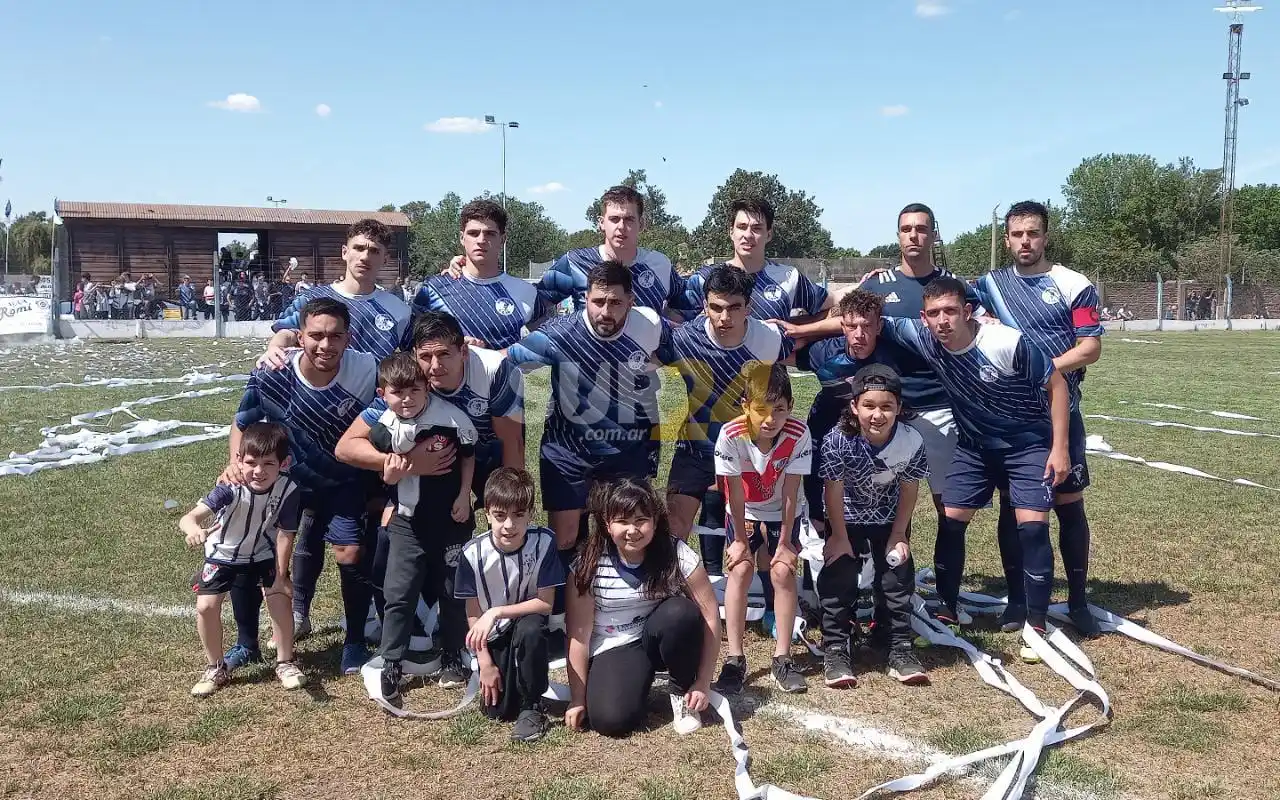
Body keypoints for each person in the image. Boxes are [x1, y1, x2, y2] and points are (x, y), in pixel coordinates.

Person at [874, 277, 1070, 636]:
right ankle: (948, 608)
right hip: (975, 446)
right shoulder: (925, 337)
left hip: (1026, 444)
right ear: (924, 317)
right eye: (933, 313)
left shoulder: (1005, 342)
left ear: (967, 311)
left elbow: (1056, 383)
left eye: (950, 311)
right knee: (950, 520)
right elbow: (867, 318)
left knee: (1032, 528)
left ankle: (1037, 623)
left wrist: (1059, 448)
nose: (942, 320)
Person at [227, 298, 380, 675]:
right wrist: (234, 464)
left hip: (345, 480)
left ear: (349, 338)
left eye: (335, 336)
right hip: (287, 484)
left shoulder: (367, 369)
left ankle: (356, 641)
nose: (325, 345)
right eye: (316, 336)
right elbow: (243, 421)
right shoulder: (271, 373)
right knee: (250, 555)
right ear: (300, 336)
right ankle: (247, 642)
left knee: (349, 552)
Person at [973, 200, 1104, 636]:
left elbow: (1090, 347)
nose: (1024, 241)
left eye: (1032, 233)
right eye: (1016, 234)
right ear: (1007, 238)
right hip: (1011, 416)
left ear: (1046, 237)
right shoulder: (990, 285)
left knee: (1068, 504)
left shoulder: (1073, 284)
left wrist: (1044, 369)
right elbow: (944, 306)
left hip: (1059, 410)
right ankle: (1017, 600)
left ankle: (1079, 601)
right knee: (1015, 508)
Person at [506, 260, 668, 589]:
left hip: (626, 445)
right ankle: (564, 607)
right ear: (586, 298)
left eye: (615, 303)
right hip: (567, 447)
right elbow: (507, 358)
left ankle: (624, 599)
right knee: (565, 536)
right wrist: (469, 352)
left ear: (631, 301)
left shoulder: (648, 326)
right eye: (598, 302)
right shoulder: (557, 333)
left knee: (627, 530)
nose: (605, 312)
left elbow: (679, 348)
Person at [661, 265, 793, 578]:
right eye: (716, 308)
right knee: (673, 527)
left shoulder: (768, 342)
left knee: (758, 530)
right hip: (696, 447)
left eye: (734, 308)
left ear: (749, 306)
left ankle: (767, 594)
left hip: (750, 452)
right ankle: (666, 592)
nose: (724, 318)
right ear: (705, 305)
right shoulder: (683, 340)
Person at [565, 478, 721, 737]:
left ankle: (682, 692)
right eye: (622, 521)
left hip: (659, 632)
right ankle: (634, 682)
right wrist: (577, 698)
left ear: (655, 521)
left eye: (641, 520)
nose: (632, 530)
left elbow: (711, 617)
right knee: (610, 721)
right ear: (607, 524)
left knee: (680, 613)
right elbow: (578, 637)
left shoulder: (676, 553)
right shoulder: (588, 564)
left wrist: (703, 682)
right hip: (615, 643)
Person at [362, 351, 478, 692]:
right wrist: (391, 471)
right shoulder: (384, 426)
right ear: (384, 394)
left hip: (450, 520)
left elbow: (468, 458)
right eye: (398, 392)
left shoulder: (453, 420)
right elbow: (386, 463)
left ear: (427, 387)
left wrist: (464, 496)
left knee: (452, 590)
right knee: (399, 592)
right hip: (407, 522)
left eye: (414, 390)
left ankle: (454, 654)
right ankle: (393, 660)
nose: (407, 399)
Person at [818, 365, 930, 687]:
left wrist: (898, 534)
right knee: (839, 575)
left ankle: (897, 644)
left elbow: (910, 488)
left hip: (888, 518)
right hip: (847, 517)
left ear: (898, 407)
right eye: (868, 406)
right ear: (854, 407)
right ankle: (837, 647)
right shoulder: (837, 440)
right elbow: (833, 489)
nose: (877, 415)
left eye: (886, 406)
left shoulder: (911, 440)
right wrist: (838, 536)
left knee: (896, 577)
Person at [181, 422, 307, 696]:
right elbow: (189, 517)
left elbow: (286, 533)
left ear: (283, 463)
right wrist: (193, 530)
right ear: (239, 460)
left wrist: (282, 574)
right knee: (205, 607)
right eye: (251, 462)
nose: (259, 471)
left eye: (268, 464)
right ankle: (215, 667)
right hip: (222, 555)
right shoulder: (229, 487)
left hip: (262, 554)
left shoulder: (289, 489)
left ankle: (286, 662)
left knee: (279, 597)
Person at [711, 363, 811, 695]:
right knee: (739, 569)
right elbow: (733, 491)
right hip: (744, 510)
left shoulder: (799, 433)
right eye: (761, 410)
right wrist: (739, 539)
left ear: (790, 408)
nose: (770, 419)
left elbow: (791, 490)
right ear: (745, 406)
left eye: (779, 410)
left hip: (783, 511)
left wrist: (784, 542)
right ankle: (734, 658)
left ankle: (782, 657)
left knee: (782, 572)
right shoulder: (730, 434)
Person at [452, 468, 564, 742]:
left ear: (531, 514)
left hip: (528, 621)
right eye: (500, 516)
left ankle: (532, 704)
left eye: (519, 515)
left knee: (530, 629)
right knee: (497, 710)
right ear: (487, 514)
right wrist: (485, 663)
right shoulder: (473, 554)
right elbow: (473, 614)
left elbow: (545, 603)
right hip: (493, 634)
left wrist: (497, 611)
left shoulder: (544, 541)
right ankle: (512, 684)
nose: (509, 525)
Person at [264, 219, 412, 365]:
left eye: (374, 251)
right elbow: (286, 332)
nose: (365, 257)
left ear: (385, 260)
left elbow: (417, 353)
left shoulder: (399, 310)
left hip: (373, 389)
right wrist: (275, 347)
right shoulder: (311, 298)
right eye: (359, 248)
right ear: (344, 252)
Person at [412, 200, 549, 350]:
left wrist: (502, 357)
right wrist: (453, 344)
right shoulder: (433, 289)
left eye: (490, 234)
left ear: (503, 239)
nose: (481, 240)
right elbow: (412, 344)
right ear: (462, 238)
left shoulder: (526, 291)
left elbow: (544, 347)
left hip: (506, 374)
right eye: (473, 233)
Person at [535, 185, 689, 315]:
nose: (621, 227)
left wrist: (664, 336)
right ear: (601, 223)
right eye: (614, 219)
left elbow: (688, 304)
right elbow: (535, 305)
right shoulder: (575, 262)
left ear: (641, 224)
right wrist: (560, 341)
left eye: (629, 219)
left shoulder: (660, 264)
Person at [682, 198, 832, 324]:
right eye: (742, 227)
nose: (748, 235)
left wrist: (800, 333)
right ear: (731, 232)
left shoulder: (788, 277)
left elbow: (833, 301)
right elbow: (677, 324)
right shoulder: (703, 278)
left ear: (768, 234)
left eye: (756, 228)